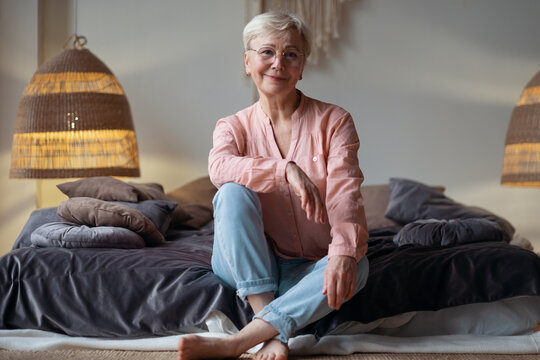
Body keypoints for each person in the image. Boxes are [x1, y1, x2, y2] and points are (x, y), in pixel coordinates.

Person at [178, 11, 369, 360]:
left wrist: (342, 253)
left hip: (309, 262)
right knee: (231, 193)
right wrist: (285, 170)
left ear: (302, 64)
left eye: (290, 54)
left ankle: (244, 340)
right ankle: (268, 321)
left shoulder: (335, 121)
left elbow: (346, 194)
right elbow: (219, 167)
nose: (278, 63)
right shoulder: (232, 126)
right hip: (244, 259)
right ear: (248, 61)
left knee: (358, 264)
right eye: (267, 52)